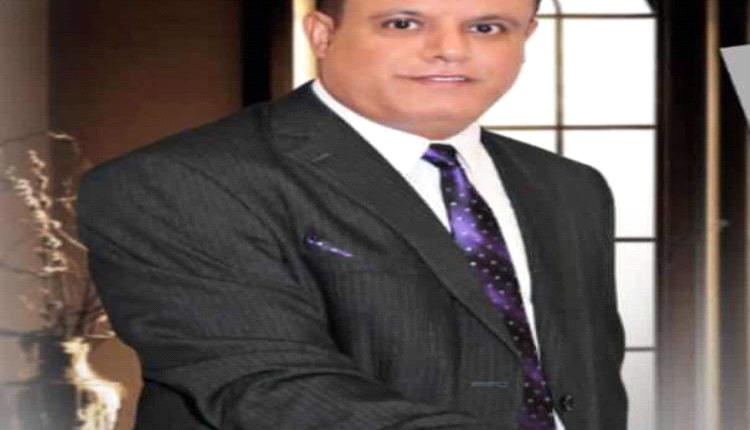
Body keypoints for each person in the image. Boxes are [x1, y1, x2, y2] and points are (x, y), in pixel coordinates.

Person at [76, 0, 628, 428]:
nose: (450, 50)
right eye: (403, 24)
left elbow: (583, 385)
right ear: (322, 33)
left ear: (526, 37)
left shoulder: (569, 187)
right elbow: (268, 388)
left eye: (486, 28)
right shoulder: (178, 182)